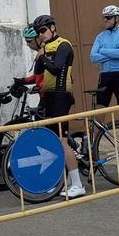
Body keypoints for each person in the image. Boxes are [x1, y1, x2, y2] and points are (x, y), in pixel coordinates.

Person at [25, 14, 86, 197]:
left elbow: (56, 67)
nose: (41, 35)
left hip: (61, 96)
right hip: (49, 97)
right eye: (38, 32)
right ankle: (63, 182)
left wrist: (43, 57)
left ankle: (77, 184)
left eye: (43, 31)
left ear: (53, 28)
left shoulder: (63, 45)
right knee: (52, 141)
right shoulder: (45, 47)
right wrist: (40, 56)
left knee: (62, 141)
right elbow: (38, 72)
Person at [91, 5, 119, 109]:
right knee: (100, 108)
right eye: (104, 17)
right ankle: (101, 126)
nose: (105, 20)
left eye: (108, 17)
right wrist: (115, 54)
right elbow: (93, 57)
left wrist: (102, 50)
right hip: (105, 74)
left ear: (117, 18)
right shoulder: (100, 36)